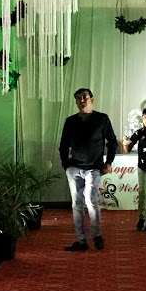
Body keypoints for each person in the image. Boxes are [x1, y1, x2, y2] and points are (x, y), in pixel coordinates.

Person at [59, 87, 118, 251]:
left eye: (85, 97)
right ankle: (81, 240)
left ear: (92, 99)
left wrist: (109, 162)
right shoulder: (71, 121)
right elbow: (64, 144)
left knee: (91, 201)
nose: (82, 100)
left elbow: (112, 142)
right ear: (76, 102)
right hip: (74, 168)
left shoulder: (102, 119)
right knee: (76, 204)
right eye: (78, 98)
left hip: (93, 168)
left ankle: (97, 235)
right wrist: (65, 165)